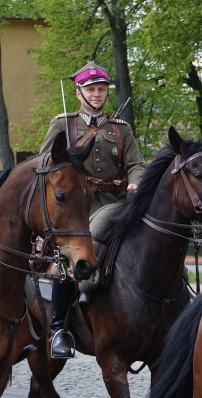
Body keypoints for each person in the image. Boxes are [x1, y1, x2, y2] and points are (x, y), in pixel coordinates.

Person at [39, 61, 146, 358]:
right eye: (91, 89)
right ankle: (59, 329)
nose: (97, 94)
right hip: (76, 209)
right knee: (66, 259)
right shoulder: (64, 124)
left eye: (102, 89)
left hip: (117, 203)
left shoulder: (119, 128)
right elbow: (45, 165)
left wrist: (137, 182)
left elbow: (137, 164)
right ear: (79, 92)